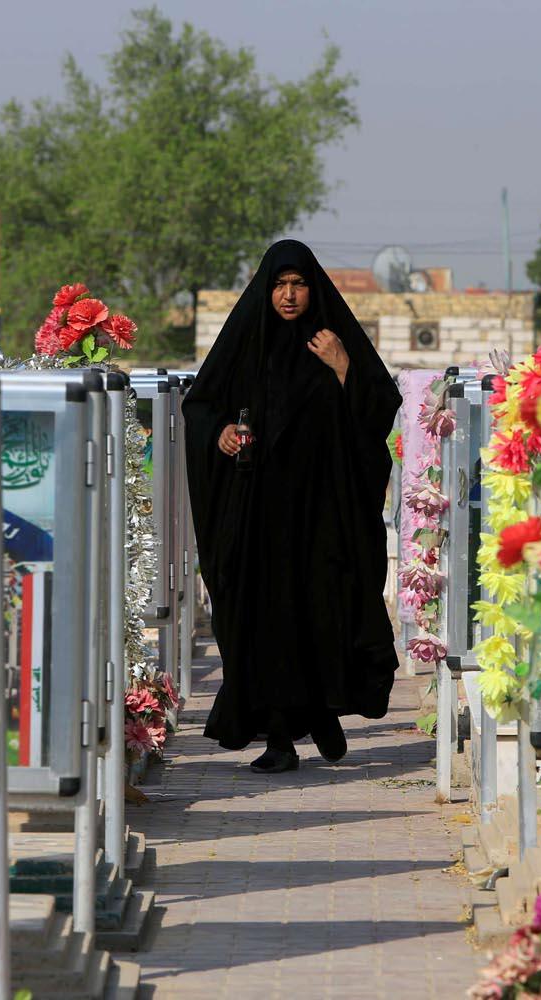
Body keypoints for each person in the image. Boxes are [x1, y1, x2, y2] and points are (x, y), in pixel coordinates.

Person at [183, 239, 401, 774]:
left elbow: (379, 410)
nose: (288, 295)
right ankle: (279, 736)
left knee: (324, 611)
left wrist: (344, 365)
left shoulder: (334, 339)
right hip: (259, 513)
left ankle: (324, 713)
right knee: (267, 618)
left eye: (298, 284)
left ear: (313, 287)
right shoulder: (245, 340)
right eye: (279, 285)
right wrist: (224, 434)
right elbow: (201, 405)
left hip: (325, 514)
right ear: (265, 288)